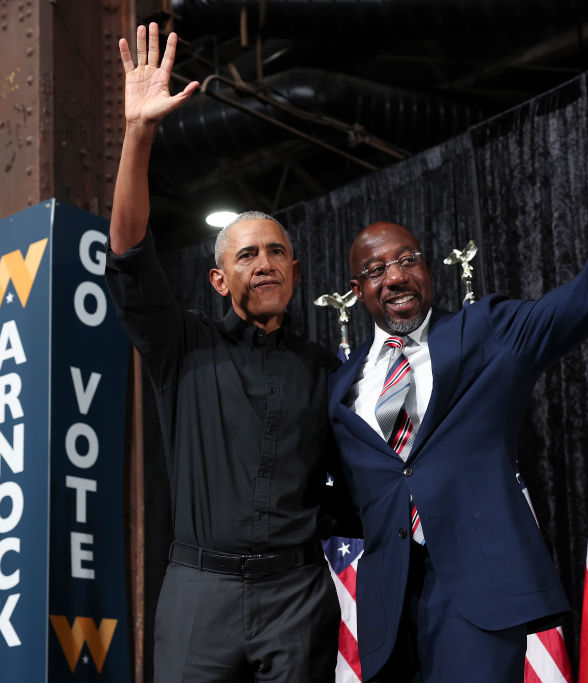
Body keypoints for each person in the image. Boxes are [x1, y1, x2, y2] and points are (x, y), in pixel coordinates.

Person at [327, 41, 588, 682]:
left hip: (478, 596)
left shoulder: (489, 332)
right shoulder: (341, 390)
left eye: (406, 259)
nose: (395, 276)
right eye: (376, 270)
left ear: (427, 269)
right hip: (387, 611)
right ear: (358, 292)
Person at [105, 23, 349, 682]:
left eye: (276, 252)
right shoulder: (181, 345)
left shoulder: (328, 372)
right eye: (246, 254)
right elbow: (128, 251)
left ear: (295, 271)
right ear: (220, 279)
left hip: (297, 596)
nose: (264, 263)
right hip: (197, 593)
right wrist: (138, 133)